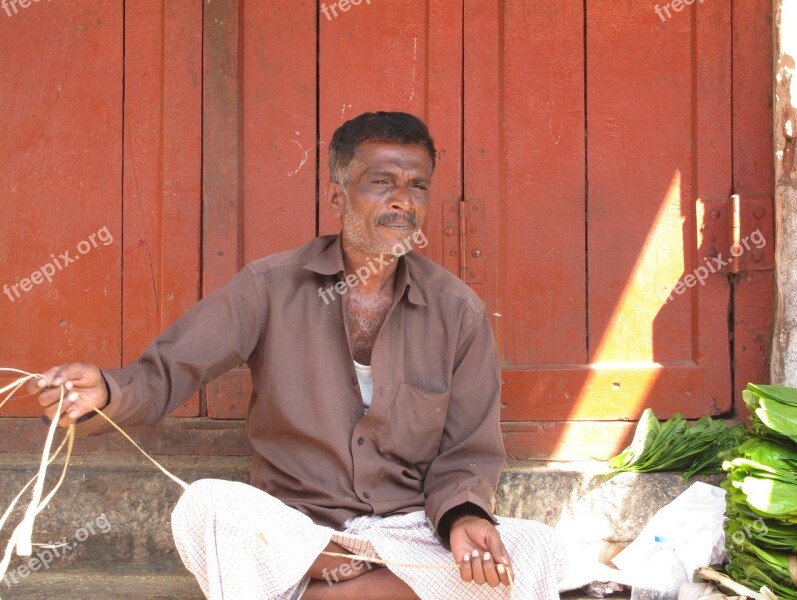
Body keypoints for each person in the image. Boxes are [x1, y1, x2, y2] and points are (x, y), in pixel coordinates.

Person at [32, 112, 565, 599]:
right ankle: (344, 580)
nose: (403, 201)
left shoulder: (457, 310)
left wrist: (464, 517)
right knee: (209, 507)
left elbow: (468, 450)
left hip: (406, 532)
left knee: (537, 549)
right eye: (382, 182)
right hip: (299, 533)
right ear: (337, 196)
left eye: (417, 185)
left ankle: (331, 593)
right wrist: (107, 391)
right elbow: (170, 369)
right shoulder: (269, 287)